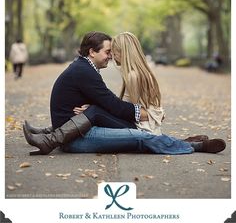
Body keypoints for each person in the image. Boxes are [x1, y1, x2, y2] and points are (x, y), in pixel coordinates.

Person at [23, 31, 226, 155]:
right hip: (76, 138)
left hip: (80, 131)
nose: (110, 57)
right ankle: (196, 146)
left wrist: (147, 113)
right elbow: (113, 104)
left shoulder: (83, 68)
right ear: (92, 52)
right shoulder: (85, 71)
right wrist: (143, 113)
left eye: (113, 52)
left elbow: (110, 104)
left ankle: (49, 135)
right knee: (139, 136)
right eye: (107, 52)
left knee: (102, 115)